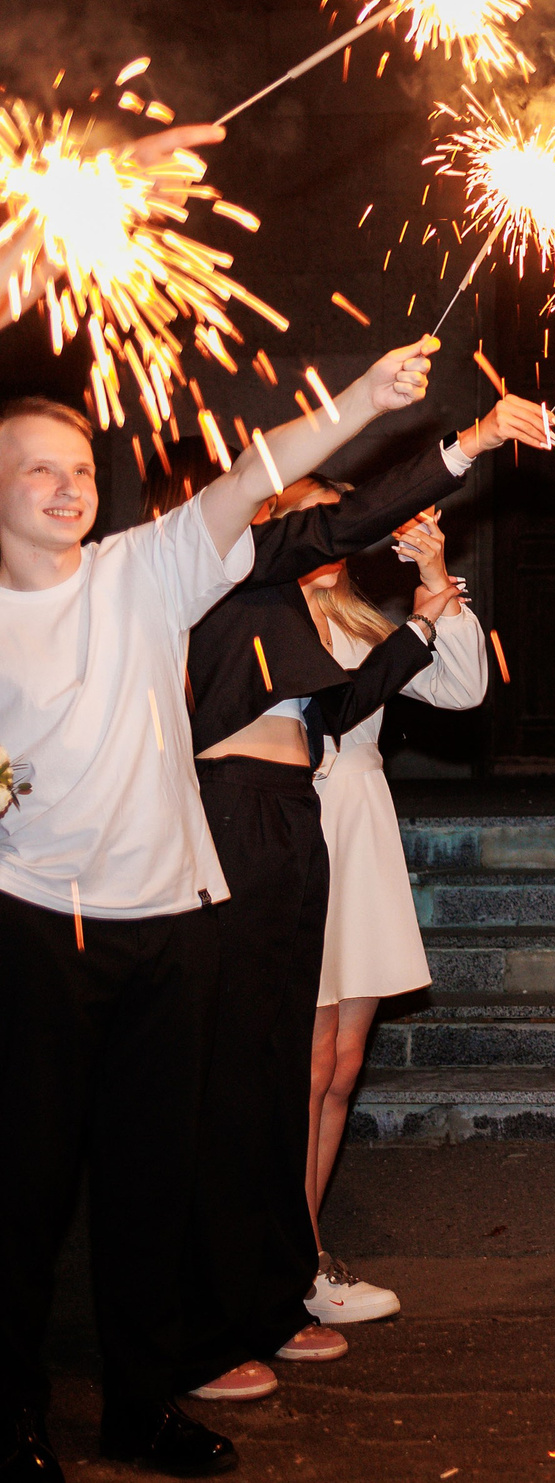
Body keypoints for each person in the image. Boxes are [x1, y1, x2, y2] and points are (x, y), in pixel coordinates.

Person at [1, 331, 436, 1481]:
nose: (67, 484)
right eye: (38, 468)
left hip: (174, 924)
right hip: (38, 927)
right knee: (29, 1193)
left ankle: (142, 1407)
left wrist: (363, 398)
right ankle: (15, 1413)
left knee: (152, 1183)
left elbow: (255, 474)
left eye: (79, 466)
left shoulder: (140, 569)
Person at [168, 390, 553, 1407]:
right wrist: (461, 444)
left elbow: (410, 696)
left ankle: (285, 1269)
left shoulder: (330, 622)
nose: (326, 540)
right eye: (305, 520)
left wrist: (431, 596)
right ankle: (235, 1290)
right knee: (265, 1075)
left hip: (328, 837)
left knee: (325, 1071)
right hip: (256, 825)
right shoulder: (224, 599)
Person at [299, 497, 486, 1324]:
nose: (327, 541)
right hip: (294, 827)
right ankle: (281, 1255)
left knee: (341, 1066)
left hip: (362, 832)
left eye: (333, 524)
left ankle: (303, 1253)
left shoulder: (361, 623)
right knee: (302, 1068)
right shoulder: (251, 619)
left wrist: (435, 577)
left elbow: (465, 688)